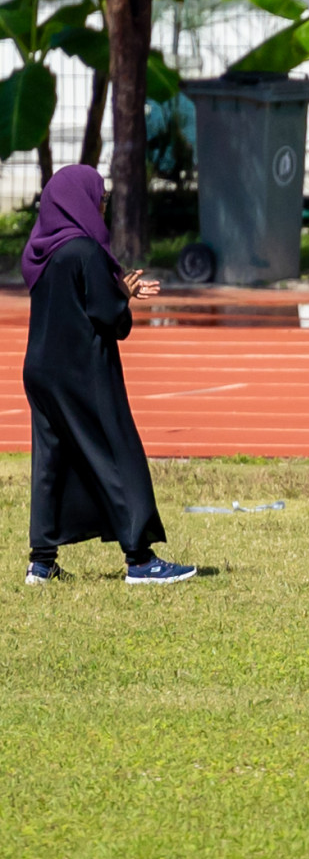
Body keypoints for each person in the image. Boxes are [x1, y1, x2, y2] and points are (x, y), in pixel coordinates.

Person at [21, 164, 195, 585]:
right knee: (116, 453)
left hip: (40, 371)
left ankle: (41, 562)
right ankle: (140, 559)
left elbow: (73, 302)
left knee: (51, 461)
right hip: (82, 371)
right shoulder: (85, 249)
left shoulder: (42, 251)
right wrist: (125, 301)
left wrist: (119, 291)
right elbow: (108, 316)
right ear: (80, 199)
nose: (103, 204)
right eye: (100, 197)